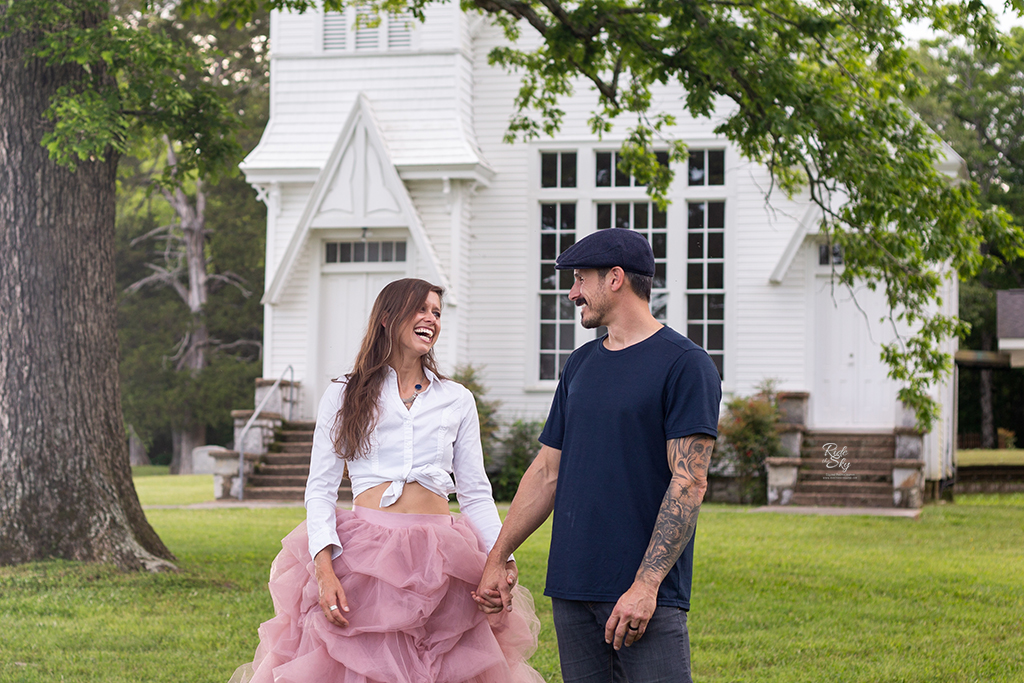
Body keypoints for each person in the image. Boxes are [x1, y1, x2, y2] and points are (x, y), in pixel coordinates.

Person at [230, 278, 543, 683]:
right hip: (365, 559)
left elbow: (477, 494)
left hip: (443, 558)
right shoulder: (344, 394)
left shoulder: (456, 399)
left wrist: (502, 558)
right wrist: (325, 571)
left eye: (437, 312)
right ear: (386, 318)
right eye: (421, 309)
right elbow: (320, 491)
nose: (431, 318)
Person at [473, 229, 722, 682]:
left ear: (614, 278)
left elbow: (688, 482)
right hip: (573, 588)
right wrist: (497, 556)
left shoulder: (685, 364)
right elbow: (548, 470)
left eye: (579, 279)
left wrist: (646, 586)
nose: (572, 293)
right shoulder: (581, 365)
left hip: (643, 595)